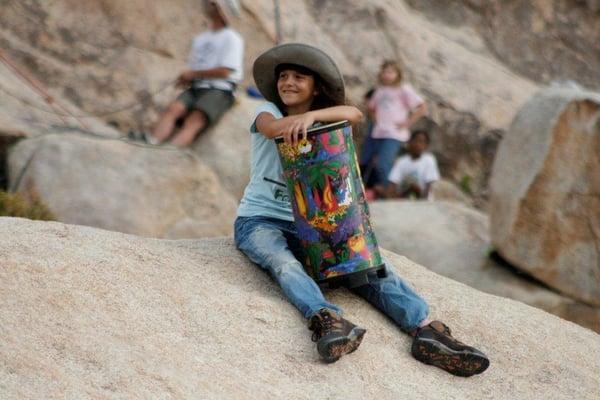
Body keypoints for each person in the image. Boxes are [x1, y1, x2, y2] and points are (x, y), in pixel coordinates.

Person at [234, 43, 489, 376]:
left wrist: (311, 116)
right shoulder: (267, 110)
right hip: (261, 220)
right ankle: (327, 319)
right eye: (283, 76)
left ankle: (425, 330)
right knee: (283, 263)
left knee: (369, 268)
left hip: (313, 227)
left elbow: (354, 115)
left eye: (299, 77)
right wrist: (297, 120)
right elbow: (271, 129)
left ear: (315, 86)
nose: (288, 82)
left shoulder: (325, 117)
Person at [147, 0, 244, 147]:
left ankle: (170, 151)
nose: (208, 5)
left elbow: (226, 70)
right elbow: (195, 67)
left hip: (219, 89)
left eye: (213, 4)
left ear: (221, 10)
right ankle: (151, 142)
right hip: (197, 86)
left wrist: (192, 74)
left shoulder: (232, 38)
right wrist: (187, 78)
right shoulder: (200, 39)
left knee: (195, 119)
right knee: (174, 109)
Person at [361, 60, 427, 188]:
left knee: (383, 164)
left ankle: (390, 192)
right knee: (368, 162)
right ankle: (377, 191)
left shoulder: (403, 89)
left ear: (398, 74)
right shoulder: (380, 90)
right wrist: (375, 119)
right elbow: (370, 107)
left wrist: (407, 123)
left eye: (391, 72)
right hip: (378, 132)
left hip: (394, 133)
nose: (387, 74)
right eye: (384, 71)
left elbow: (422, 107)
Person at [376, 129, 440, 200]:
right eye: (415, 140)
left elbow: (429, 185)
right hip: (404, 198)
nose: (418, 144)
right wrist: (388, 194)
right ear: (409, 142)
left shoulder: (429, 160)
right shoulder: (402, 161)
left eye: (421, 142)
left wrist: (422, 201)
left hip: (423, 200)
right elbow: (393, 183)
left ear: (426, 146)